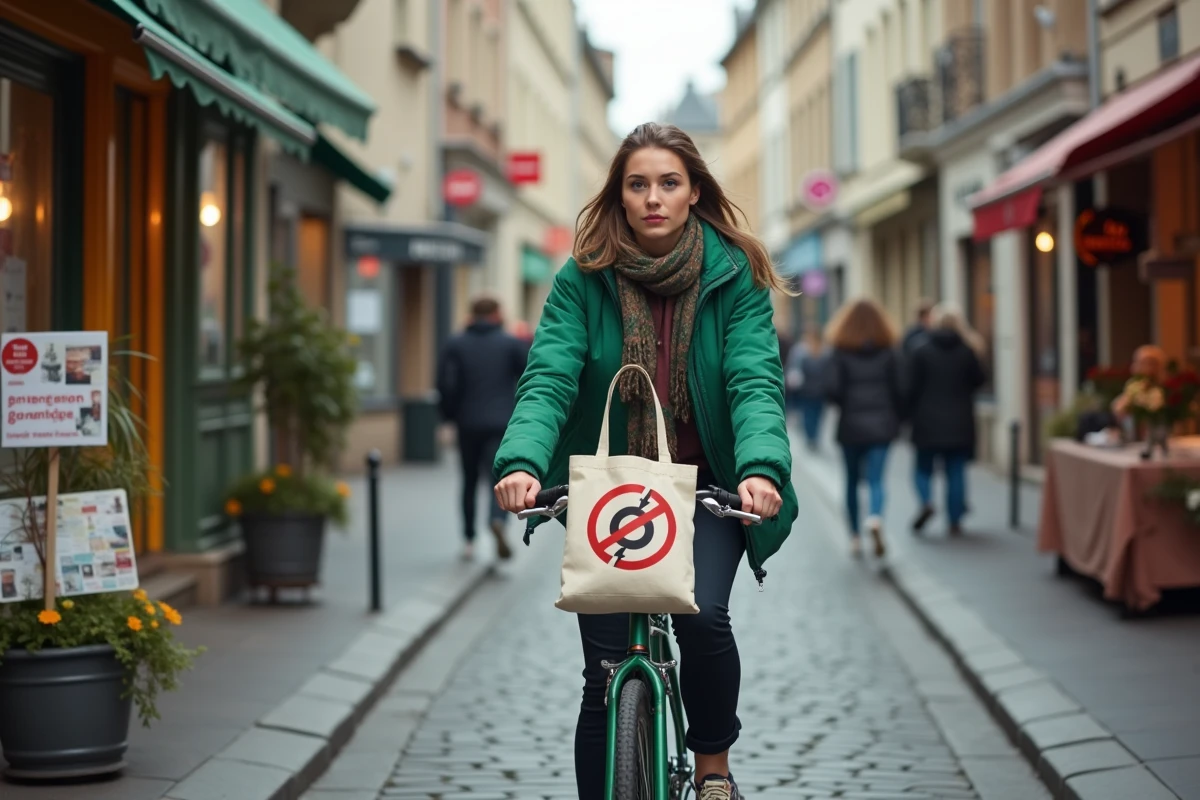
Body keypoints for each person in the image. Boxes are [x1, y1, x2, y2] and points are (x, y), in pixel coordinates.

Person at [491, 122, 799, 800]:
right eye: (638, 184)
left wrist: (760, 470)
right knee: (602, 680)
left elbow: (753, 381)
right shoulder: (583, 278)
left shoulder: (734, 276)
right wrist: (520, 462)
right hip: (609, 491)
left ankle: (713, 762)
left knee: (704, 617)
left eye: (668, 183)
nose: (653, 197)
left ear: (693, 193)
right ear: (620, 196)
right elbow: (549, 376)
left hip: (707, 485)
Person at [436, 295, 529, 561]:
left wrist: (449, 417)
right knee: (498, 478)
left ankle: (468, 539)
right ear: (497, 314)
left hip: (467, 423)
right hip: (501, 423)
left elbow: (445, 384)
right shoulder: (511, 343)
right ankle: (496, 519)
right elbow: (529, 377)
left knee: (468, 480)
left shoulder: (456, 344)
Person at [823, 298, 904, 558]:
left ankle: (855, 537)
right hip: (882, 425)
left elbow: (832, 390)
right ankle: (876, 517)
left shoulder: (840, 351)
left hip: (851, 427)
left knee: (850, 482)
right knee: (877, 480)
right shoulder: (889, 351)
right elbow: (901, 388)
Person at [907, 304, 987, 536]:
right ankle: (954, 520)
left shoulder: (920, 350)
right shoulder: (968, 351)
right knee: (956, 471)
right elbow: (980, 380)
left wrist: (907, 415)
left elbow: (910, 387)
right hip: (960, 421)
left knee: (923, 468)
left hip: (926, 421)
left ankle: (926, 502)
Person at [785, 326, 828, 451]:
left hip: (811, 389)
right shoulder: (805, 351)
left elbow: (793, 368)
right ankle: (812, 437)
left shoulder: (802, 351)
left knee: (812, 415)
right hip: (814, 390)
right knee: (813, 415)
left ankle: (812, 437)